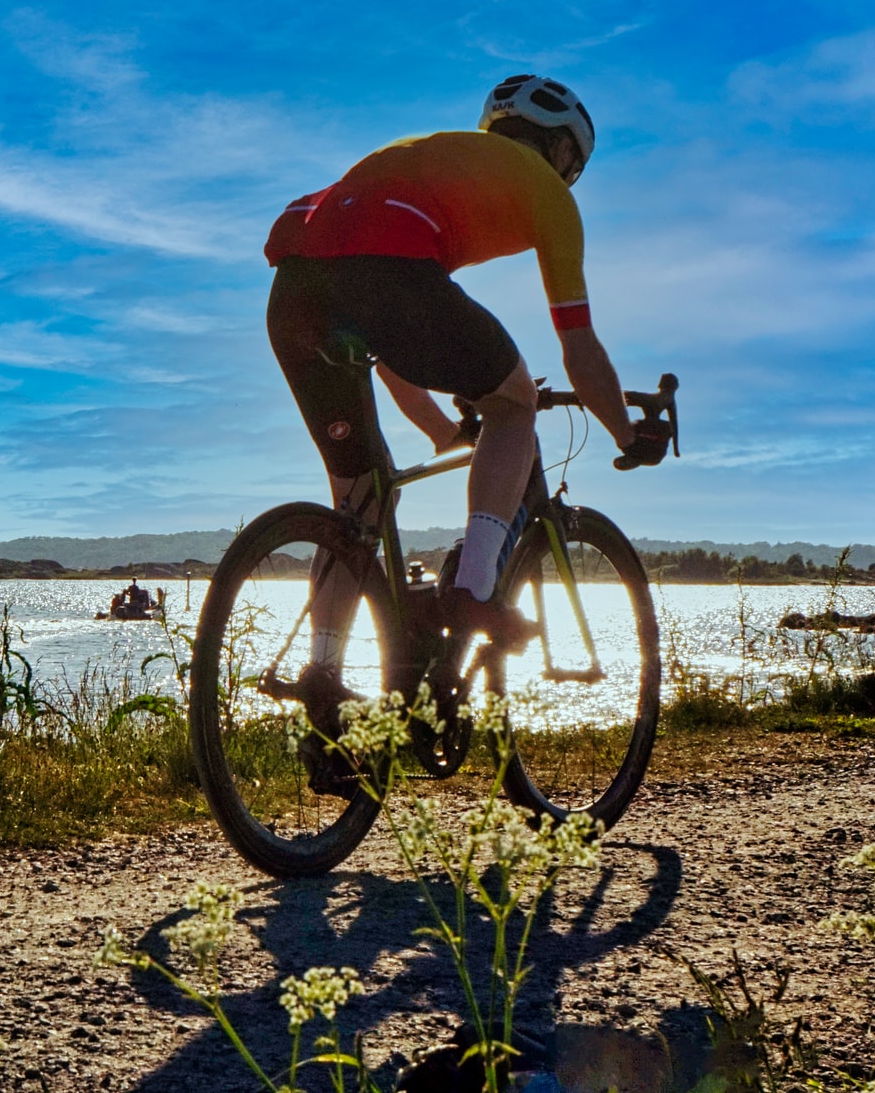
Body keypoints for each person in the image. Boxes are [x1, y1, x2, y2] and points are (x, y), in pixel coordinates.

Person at [260, 75, 670, 749]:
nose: (568, 177)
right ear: (559, 152)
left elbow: (381, 342)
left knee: (358, 506)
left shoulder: (430, 155)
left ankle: (324, 678)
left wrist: (443, 433)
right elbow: (581, 352)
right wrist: (629, 432)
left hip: (295, 288)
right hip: (387, 275)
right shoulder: (548, 198)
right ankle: (474, 592)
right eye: (572, 163)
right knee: (516, 402)